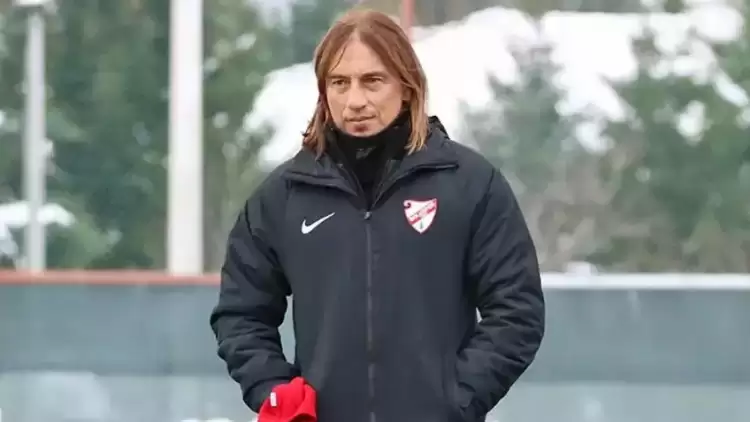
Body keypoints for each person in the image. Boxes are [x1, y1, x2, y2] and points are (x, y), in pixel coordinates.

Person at [210, 8, 545, 422]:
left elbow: (517, 312)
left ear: (407, 86)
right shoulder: (283, 197)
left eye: (373, 81)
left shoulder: (471, 185)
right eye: (339, 82)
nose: (355, 101)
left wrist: (454, 400)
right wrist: (274, 391)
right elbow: (241, 314)